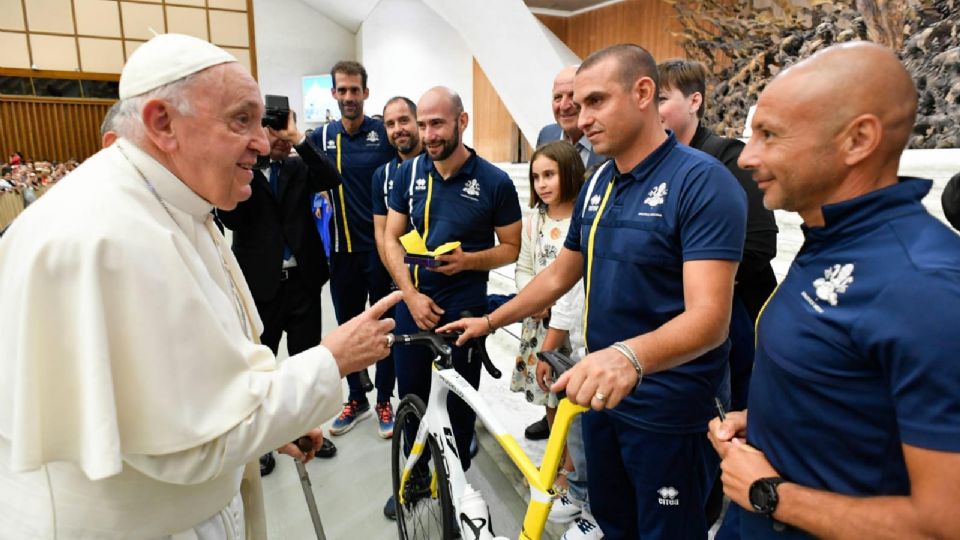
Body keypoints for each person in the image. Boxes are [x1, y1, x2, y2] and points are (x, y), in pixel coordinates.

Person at [0, 33, 400, 539]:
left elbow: (201, 400)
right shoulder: (104, 237)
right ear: (163, 123)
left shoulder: (171, 200)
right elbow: (187, 444)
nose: (261, 141)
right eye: (241, 120)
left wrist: (269, 429)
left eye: (262, 122)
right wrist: (332, 360)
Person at [442, 44, 747, 539]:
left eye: (596, 102)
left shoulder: (702, 183)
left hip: (670, 412)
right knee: (614, 522)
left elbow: (710, 317)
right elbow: (560, 274)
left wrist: (628, 356)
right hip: (603, 399)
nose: (581, 119)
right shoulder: (600, 181)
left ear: (643, 92)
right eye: (577, 105)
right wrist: (491, 320)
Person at [708, 42, 960, 540]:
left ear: (857, 140)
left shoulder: (926, 287)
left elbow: (944, 523)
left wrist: (772, 494)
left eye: (770, 135)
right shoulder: (830, 234)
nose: (749, 156)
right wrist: (769, 420)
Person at [381, 86, 522, 518]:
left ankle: (456, 475)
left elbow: (512, 246)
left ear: (461, 122)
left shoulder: (494, 182)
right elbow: (390, 237)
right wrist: (410, 294)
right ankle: (417, 471)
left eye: (437, 123)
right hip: (414, 306)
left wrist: (469, 261)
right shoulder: (408, 174)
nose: (428, 134)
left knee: (460, 403)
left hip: (465, 314)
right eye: (422, 124)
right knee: (413, 395)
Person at [657, 57, 780, 526]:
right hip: (688, 319)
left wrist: (694, 276)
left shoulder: (728, 158)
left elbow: (758, 245)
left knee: (729, 419)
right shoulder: (659, 165)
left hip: (740, 316)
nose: (653, 111)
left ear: (694, 101)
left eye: (663, 100)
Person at [217, 108, 342, 472]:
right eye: (269, 131)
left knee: (307, 362)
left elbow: (330, 178)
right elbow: (230, 216)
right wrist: (247, 163)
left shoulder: (297, 167)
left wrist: (298, 140)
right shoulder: (243, 172)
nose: (277, 137)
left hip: (303, 282)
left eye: (280, 130)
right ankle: (265, 442)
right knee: (262, 364)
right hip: (260, 286)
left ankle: (308, 429)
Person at [515, 141, 600, 539]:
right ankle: (563, 469)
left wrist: (554, 305)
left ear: (570, 173)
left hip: (573, 329)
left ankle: (573, 475)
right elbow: (526, 266)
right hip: (540, 321)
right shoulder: (534, 219)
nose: (542, 183)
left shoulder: (582, 219)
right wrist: (531, 297)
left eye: (549, 174)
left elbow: (574, 281)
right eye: (536, 176)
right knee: (550, 400)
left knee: (576, 408)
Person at [309, 61, 398, 438]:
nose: (348, 97)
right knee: (347, 330)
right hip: (341, 256)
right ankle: (357, 396)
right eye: (341, 90)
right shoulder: (321, 137)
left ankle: (384, 399)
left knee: (384, 329)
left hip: (379, 253)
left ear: (366, 92)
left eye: (354, 90)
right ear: (333, 94)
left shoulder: (384, 134)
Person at [372, 96, 423, 269]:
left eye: (404, 121)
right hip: (401, 274)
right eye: (390, 124)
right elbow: (382, 235)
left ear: (418, 121)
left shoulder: (439, 167)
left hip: (440, 274)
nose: (398, 129)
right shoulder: (382, 175)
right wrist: (402, 282)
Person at [535, 65, 605, 174]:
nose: (564, 106)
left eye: (572, 96)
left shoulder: (608, 138)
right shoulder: (546, 135)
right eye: (558, 97)